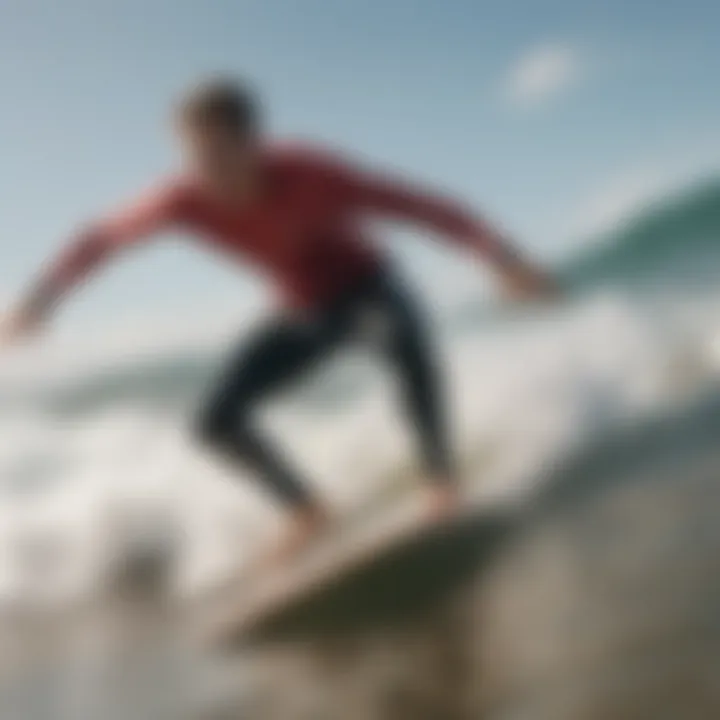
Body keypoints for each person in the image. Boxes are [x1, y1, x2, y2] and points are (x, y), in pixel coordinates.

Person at [0, 77, 556, 562]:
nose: (206, 172)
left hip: (367, 286)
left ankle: (440, 479)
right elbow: (101, 238)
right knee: (214, 421)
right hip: (302, 307)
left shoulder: (314, 171)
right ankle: (308, 509)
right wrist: (39, 300)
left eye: (218, 153)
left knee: (403, 338)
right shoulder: (180, 198)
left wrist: (502, 258)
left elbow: (421, 205)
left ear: (253, 142)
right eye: (193, 155)